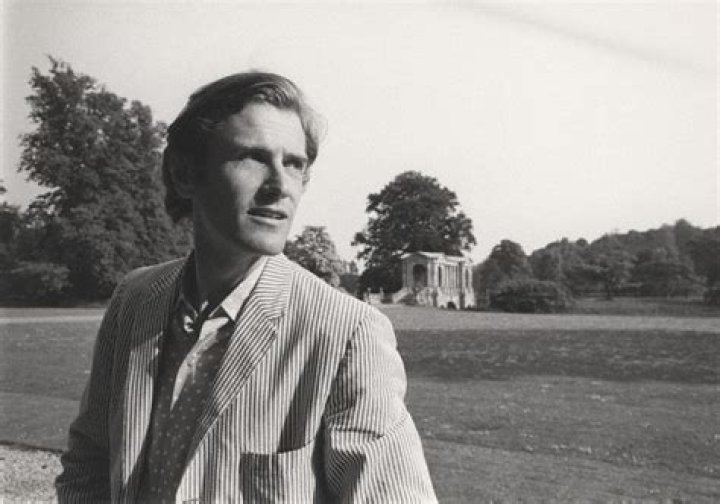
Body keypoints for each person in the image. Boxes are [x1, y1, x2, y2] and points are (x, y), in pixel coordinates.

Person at [56, 72, 437, 503]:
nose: (280, 186)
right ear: (184, 173)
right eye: (253, 158)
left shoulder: (347, 333)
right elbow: (90, 460)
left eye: (294, 164)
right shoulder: (135, 299)